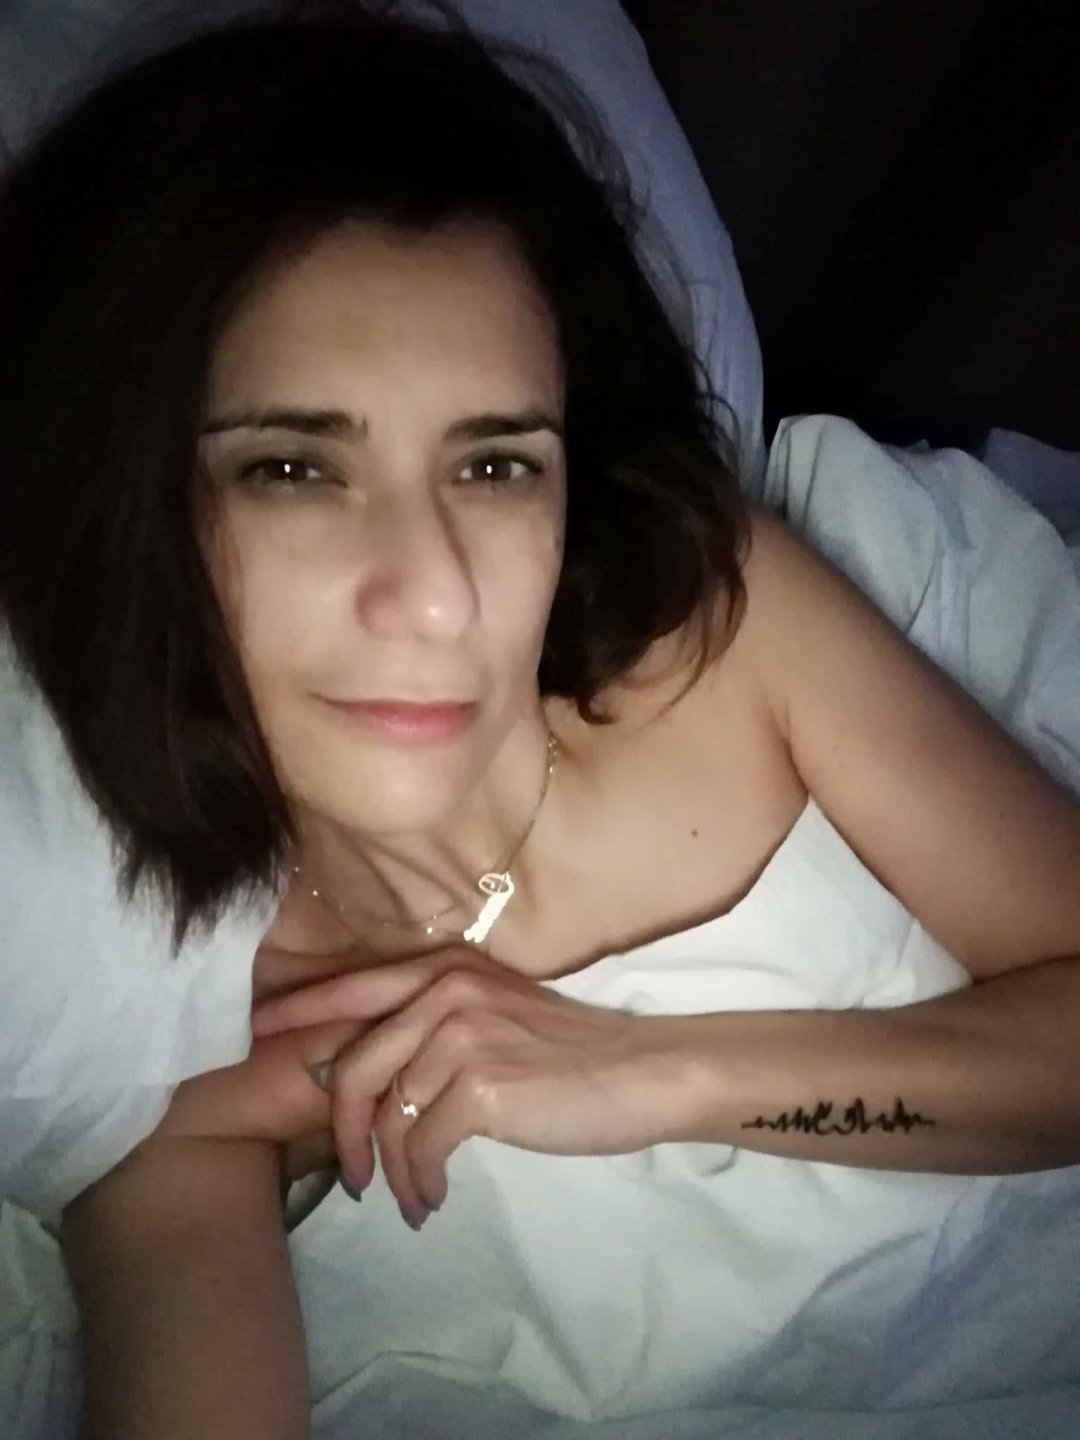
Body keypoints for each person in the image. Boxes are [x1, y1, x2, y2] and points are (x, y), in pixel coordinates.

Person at [1, 3, 1078, 1435]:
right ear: (127, 508)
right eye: (295, 471)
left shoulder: (721, 631)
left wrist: (651, 1074)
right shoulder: (203, 1057)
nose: (436, 593)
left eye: (496, 465)